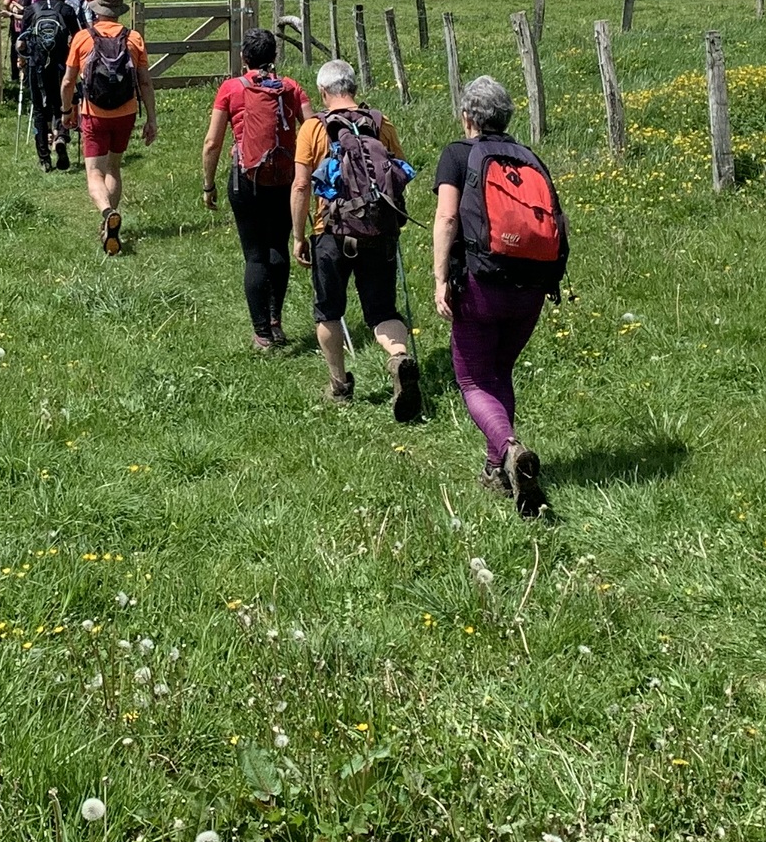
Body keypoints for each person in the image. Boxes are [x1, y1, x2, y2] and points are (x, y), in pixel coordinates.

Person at [432, 75, 571, 518]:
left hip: (481, 283)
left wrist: (439, 278)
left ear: (468, 117)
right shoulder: (530, 157)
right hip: (531, 285)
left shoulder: (458, 154)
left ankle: (509, 449)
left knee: (472, 380)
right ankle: (498, 469)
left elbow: (448, 217)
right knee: (499, 372)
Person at [293, 60, 420, 416]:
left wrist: (299, 235)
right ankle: (398, 359)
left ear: (322, 92)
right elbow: (400, 172)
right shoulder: (380, 123)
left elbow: (302, 184)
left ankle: (339, 385)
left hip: (330, 231)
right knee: (382, 310)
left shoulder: (313, 129)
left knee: (328, 311)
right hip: (378, 230)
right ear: (355, 88)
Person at [201, 27, 308, 352]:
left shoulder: (231, 89)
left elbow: (212, 143)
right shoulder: (291, 88)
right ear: (274, 57)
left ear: (244, 58)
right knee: (278, 247)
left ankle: (261, 334)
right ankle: (276, 323)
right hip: (285, 177)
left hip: (245, 179)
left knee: (255, 255)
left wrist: (208, 184)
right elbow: (314, 130)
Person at [60, 0, 152, 253]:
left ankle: (106, 212)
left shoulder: (82, 38)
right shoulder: (133, 38)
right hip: (126, 112)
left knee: (94, 173)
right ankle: (108, 228)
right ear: (119, 10)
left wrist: (67, 111)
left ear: (97, 8)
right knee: (113, 167)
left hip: (94, 114)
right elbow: (145, 83)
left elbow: (67, 81)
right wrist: (152, 119)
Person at [20, 0, 77, 169]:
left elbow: (22, 41)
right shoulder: (66, 9)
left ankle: (44, 158)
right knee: (62, 105)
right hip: (61, 66)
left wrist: (22, 59)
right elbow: (77, 37)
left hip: (37, 66)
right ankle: (61, 136)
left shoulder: (31, 10)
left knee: (39, 110)